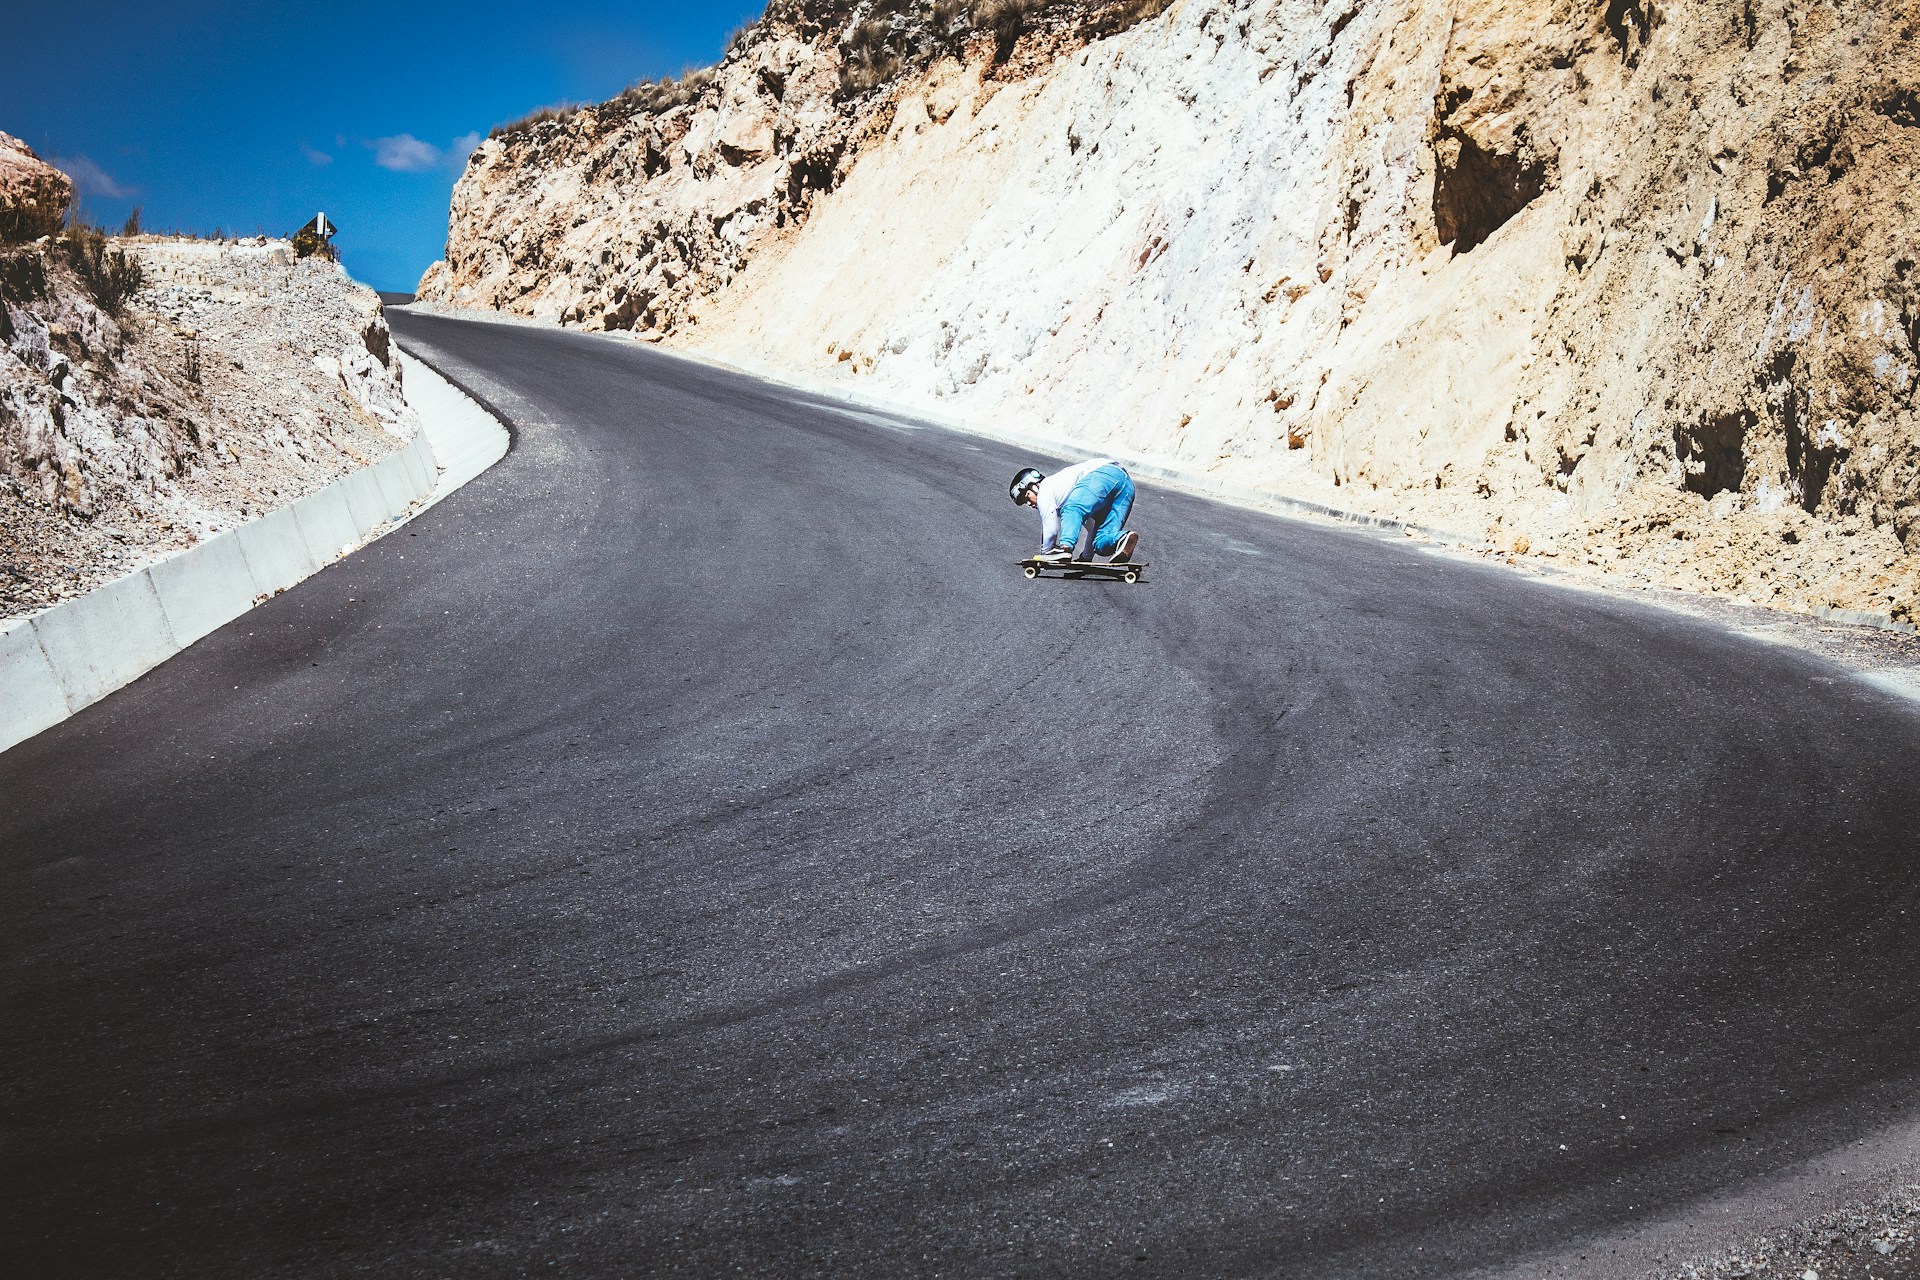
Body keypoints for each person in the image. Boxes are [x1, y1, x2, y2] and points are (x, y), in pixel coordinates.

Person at [1009, 460, 1140, 564]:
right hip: (1127, 486)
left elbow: (1051, 530)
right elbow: (1091, 526)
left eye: (1026, 496)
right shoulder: (1072, 495)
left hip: (1104, 473)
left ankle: (1065, 547)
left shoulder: (1045, 488)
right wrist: (1086, 558)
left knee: (1071, 508)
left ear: (1033, 486)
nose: (1028, 503)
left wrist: (1046, 555)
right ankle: (1124, 538)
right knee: (1100, 543)